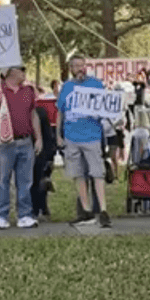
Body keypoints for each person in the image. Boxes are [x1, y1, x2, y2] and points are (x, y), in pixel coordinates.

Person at [0, 65, 43, 229]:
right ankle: (1, 216)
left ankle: (24, 215)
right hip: (4, 143)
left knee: (25, 181)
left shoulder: (28, 91)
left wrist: (38, 138)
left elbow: (33, 114)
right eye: (21, 69)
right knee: (3, 180)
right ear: (9, 71)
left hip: (25, 141)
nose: (25, 72)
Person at [57, 55, 112, 228]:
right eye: (76, 66)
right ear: (71, 68)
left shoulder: (95, 84)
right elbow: (60, 112)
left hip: (91, 135)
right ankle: (86, 211)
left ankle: (103, 210)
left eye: (82, 65)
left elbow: (106, 106)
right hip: (72, 136)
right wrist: (59, 134)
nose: (80, 69)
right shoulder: (66, 87)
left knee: (97, 173)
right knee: (78, 174)